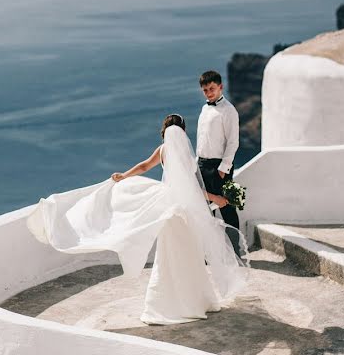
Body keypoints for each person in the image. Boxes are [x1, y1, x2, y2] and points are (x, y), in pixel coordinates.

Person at [26, 115, 247, 326]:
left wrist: (124, 175)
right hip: (183, 211)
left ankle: (167, 302)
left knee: (169, 256)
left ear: (164, 132)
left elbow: (143, 166)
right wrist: (216, 198)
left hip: (168, 209)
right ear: (183, 132)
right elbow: (194, 188)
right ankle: (197, 301)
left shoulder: (163, 151)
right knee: (189, 256)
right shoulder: (185, 156)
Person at [196, 70, 242, 257]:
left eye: (212, 89)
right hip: (202, 165)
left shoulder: (229, 110)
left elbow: (233, 142)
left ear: (220, 87)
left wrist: (223, 169)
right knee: (205, 210)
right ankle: (210, 253)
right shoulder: (204, 109)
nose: (209, 93)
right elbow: (202, 139)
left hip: (219, 167)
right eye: (205, 90)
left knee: (227, 209)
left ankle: (235, 253)